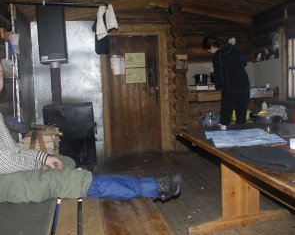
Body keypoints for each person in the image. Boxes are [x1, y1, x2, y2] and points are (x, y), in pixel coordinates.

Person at [0, 62, 181, 203]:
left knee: (65, 162)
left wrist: (43, 159)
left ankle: (143, 185)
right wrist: (38, 165)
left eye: (0, 73)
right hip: (6, 182)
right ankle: (155, 188)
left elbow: (13, 151)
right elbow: (5, 162)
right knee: (73, 180)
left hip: (9, 175)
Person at [202, 36, 250, 125]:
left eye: (209, 51)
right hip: (244, 87)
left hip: (229, 89)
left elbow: (218, 75)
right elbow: (244, 62)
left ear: (213, 47)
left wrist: (217, 86)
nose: (211, 52)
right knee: (241, 119)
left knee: (225, 119)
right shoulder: (234, 48)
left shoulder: (217, 55)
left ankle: (223, 138)